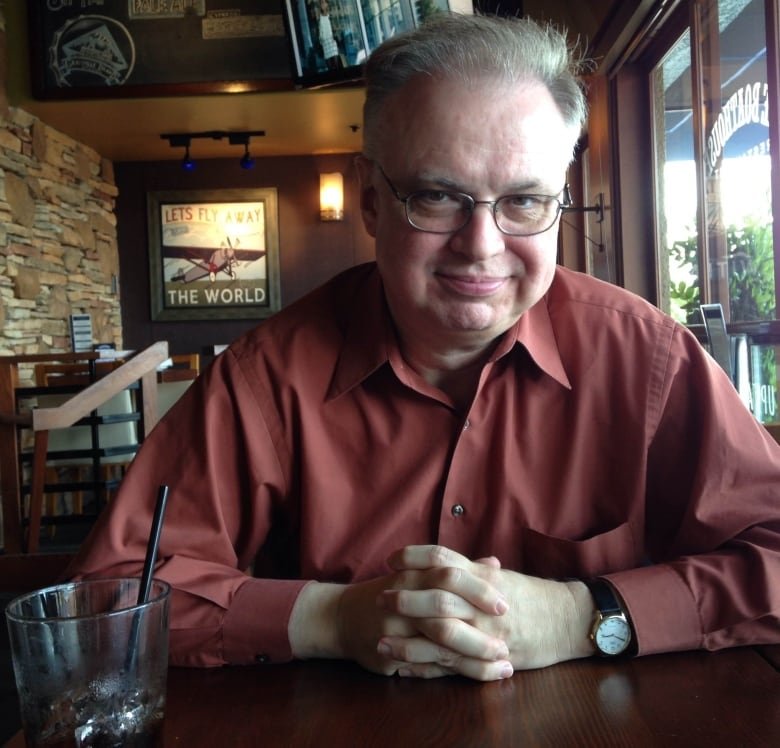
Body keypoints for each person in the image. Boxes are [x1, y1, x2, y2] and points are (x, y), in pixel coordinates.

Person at [67, 13, 780, 681]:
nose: (482, 247)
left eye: (525, 201)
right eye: (438, 197)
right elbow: (107, 601)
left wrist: (580, 616)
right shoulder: (267, 376)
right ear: (371, 202)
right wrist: (332, 618)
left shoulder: (646, 357)